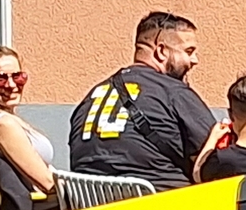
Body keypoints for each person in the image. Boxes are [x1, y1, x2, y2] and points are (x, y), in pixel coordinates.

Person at [67, 10, 215, 189]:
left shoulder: (90, 99)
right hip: (161, 209)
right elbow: (217, 162)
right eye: (188, 51)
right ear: (161, 51)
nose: (194, 60)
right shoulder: (173, 92)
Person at [0, 45, 56, 210]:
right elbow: (47, 183)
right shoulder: (3, 126)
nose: (12, 85)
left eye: (18, 77)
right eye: (1, 79)